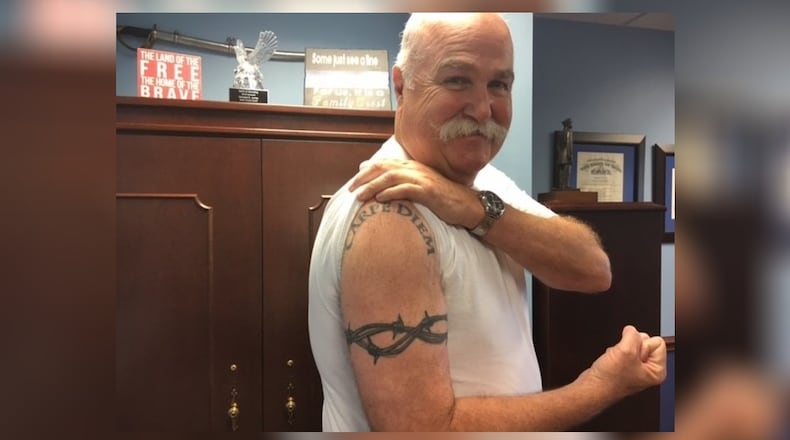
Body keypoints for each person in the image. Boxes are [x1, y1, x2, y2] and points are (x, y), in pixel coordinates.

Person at [308, 13, 666, 432]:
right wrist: (601, 386)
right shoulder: (389, 214)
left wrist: (475, 208)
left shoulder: (482, 182)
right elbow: (422, 430)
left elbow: (593, 268)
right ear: (402, 85)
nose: (483, 109)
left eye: (499, 84)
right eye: (457, 79)